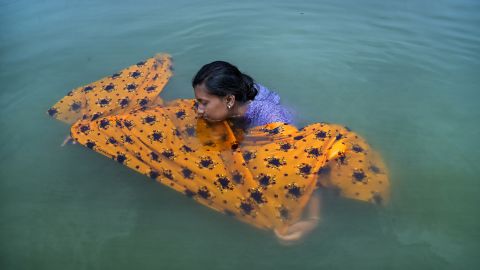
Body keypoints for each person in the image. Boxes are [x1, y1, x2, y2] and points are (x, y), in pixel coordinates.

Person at [48, 53, 389, 245]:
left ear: (228, 100)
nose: (197, 108)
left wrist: (311, 218)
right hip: (243, 124)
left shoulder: (273, 124)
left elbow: (305, 167)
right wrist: (96, 132)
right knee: (165, 125)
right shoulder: (230, 98)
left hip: (279, 137)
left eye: (202, 102)